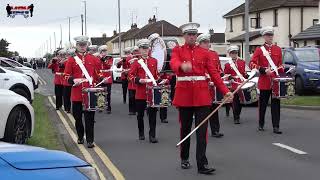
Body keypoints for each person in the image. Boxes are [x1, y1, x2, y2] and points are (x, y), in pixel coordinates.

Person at [170, 22, 233, 175]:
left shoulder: (204, 53)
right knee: (185, 129)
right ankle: (184, 158)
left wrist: (226, 91)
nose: (192, 37)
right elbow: (173, 63)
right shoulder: (177, 50)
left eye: (194, 35)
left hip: (202, 96)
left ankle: (201, 163)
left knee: (202, 131)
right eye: (189, 34)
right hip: (184, 96)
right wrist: (181, 67)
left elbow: (214, 74)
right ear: (184, 36)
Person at [64, 36, 102, 148]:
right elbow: (66, 76)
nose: (82, 47)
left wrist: (100, 79)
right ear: (76, 45)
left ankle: (90, 140)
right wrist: (73, 80)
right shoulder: (71, 60)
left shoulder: (93, 59)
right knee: (78, 118)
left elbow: (98, 73)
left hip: (90, 92)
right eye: (80, 44)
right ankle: (80, 136)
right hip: (77, 94)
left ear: (87, 45)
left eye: (84, 44)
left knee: (90, 118)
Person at [249, 26, 284, 134]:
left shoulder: (278, 49)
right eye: (268, 35)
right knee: (263, 105)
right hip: (264, 81)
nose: (270, 37)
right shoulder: (259, 50)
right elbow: (251, 64)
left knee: (276, 105)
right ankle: (261, 123)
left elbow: (280, 64)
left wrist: (280, 69)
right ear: (264, 36)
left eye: (271, 35)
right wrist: (263, 70)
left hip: (275, 82)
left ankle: (276, 126)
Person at [128, 39, 161, 143]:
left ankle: (152, 135)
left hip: (151, 93)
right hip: (140, 93)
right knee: (140, 115)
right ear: (139, 50)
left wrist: (160, 80)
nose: (145, 50)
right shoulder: (136, 62)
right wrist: (138, 80)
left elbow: (156, 75)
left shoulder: (154, 61)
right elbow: (130, 76)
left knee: (152, 115)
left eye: (146, 48)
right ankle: (141, 133)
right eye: (143, 48)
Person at [196, 33, 224, 138]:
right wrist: (208, 79)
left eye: (208, 42)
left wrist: (222, 76)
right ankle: (201, 131)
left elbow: (218, 69)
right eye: (204, 42)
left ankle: (215, 130)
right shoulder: (196, 54)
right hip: (202, 85)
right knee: (202, 110)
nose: (207, 44)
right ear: (199, 44)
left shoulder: (214, 54)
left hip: (213, 86)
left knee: (214, 108)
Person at [224, 45, 247, 124]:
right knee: (235, 101)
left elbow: (243, 73)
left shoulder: (242, 62)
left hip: (240, 83)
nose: (234, 54)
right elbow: (226, 75)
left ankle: (237, 114)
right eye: (232, 53)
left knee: (240, 101)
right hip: (233, 84)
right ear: (230, 54)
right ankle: (236, 117)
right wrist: (230, 78)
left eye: (235, 53)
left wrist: (246, 78)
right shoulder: (227, 64)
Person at [98, 45, 113, 114]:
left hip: (107, 76)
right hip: (100, 76)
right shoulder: (98, 58)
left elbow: (109, 65)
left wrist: (104, 59)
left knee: (108, 93)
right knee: (100, 93)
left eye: (105, 51)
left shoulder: (109, 58)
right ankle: (101, 106)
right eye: (103, 51)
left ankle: (108, 107)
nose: (104, 52)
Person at [127, 46, 139, 115]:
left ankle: (137, 109)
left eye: (137, 51)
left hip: (137, 79)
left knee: (137, 97)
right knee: (131, 97)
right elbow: (126, 65)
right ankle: (131, 110)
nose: (136, 52)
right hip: (131, 79)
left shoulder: (140, 58)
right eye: (135, 51)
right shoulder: (129, 58)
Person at [63, 48, 75, 113]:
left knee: (74, 97)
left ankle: (72, 108)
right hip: (67, 81)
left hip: (75, 81)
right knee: (66, 96)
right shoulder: (66, 61)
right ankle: (67, 108)